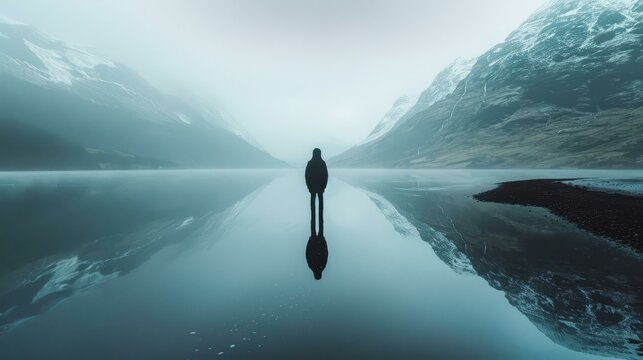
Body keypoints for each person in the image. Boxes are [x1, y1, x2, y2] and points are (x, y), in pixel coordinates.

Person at [305, 148, 328, 237]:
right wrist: (324, 187)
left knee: (312, 206)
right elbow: (326, 176)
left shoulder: (310, 163)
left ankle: (313, 232)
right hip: (320, 188)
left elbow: (307, 176)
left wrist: (309, 187)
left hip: (313, 188)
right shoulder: (322, 163)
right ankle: (320, 219)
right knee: (320, 206)